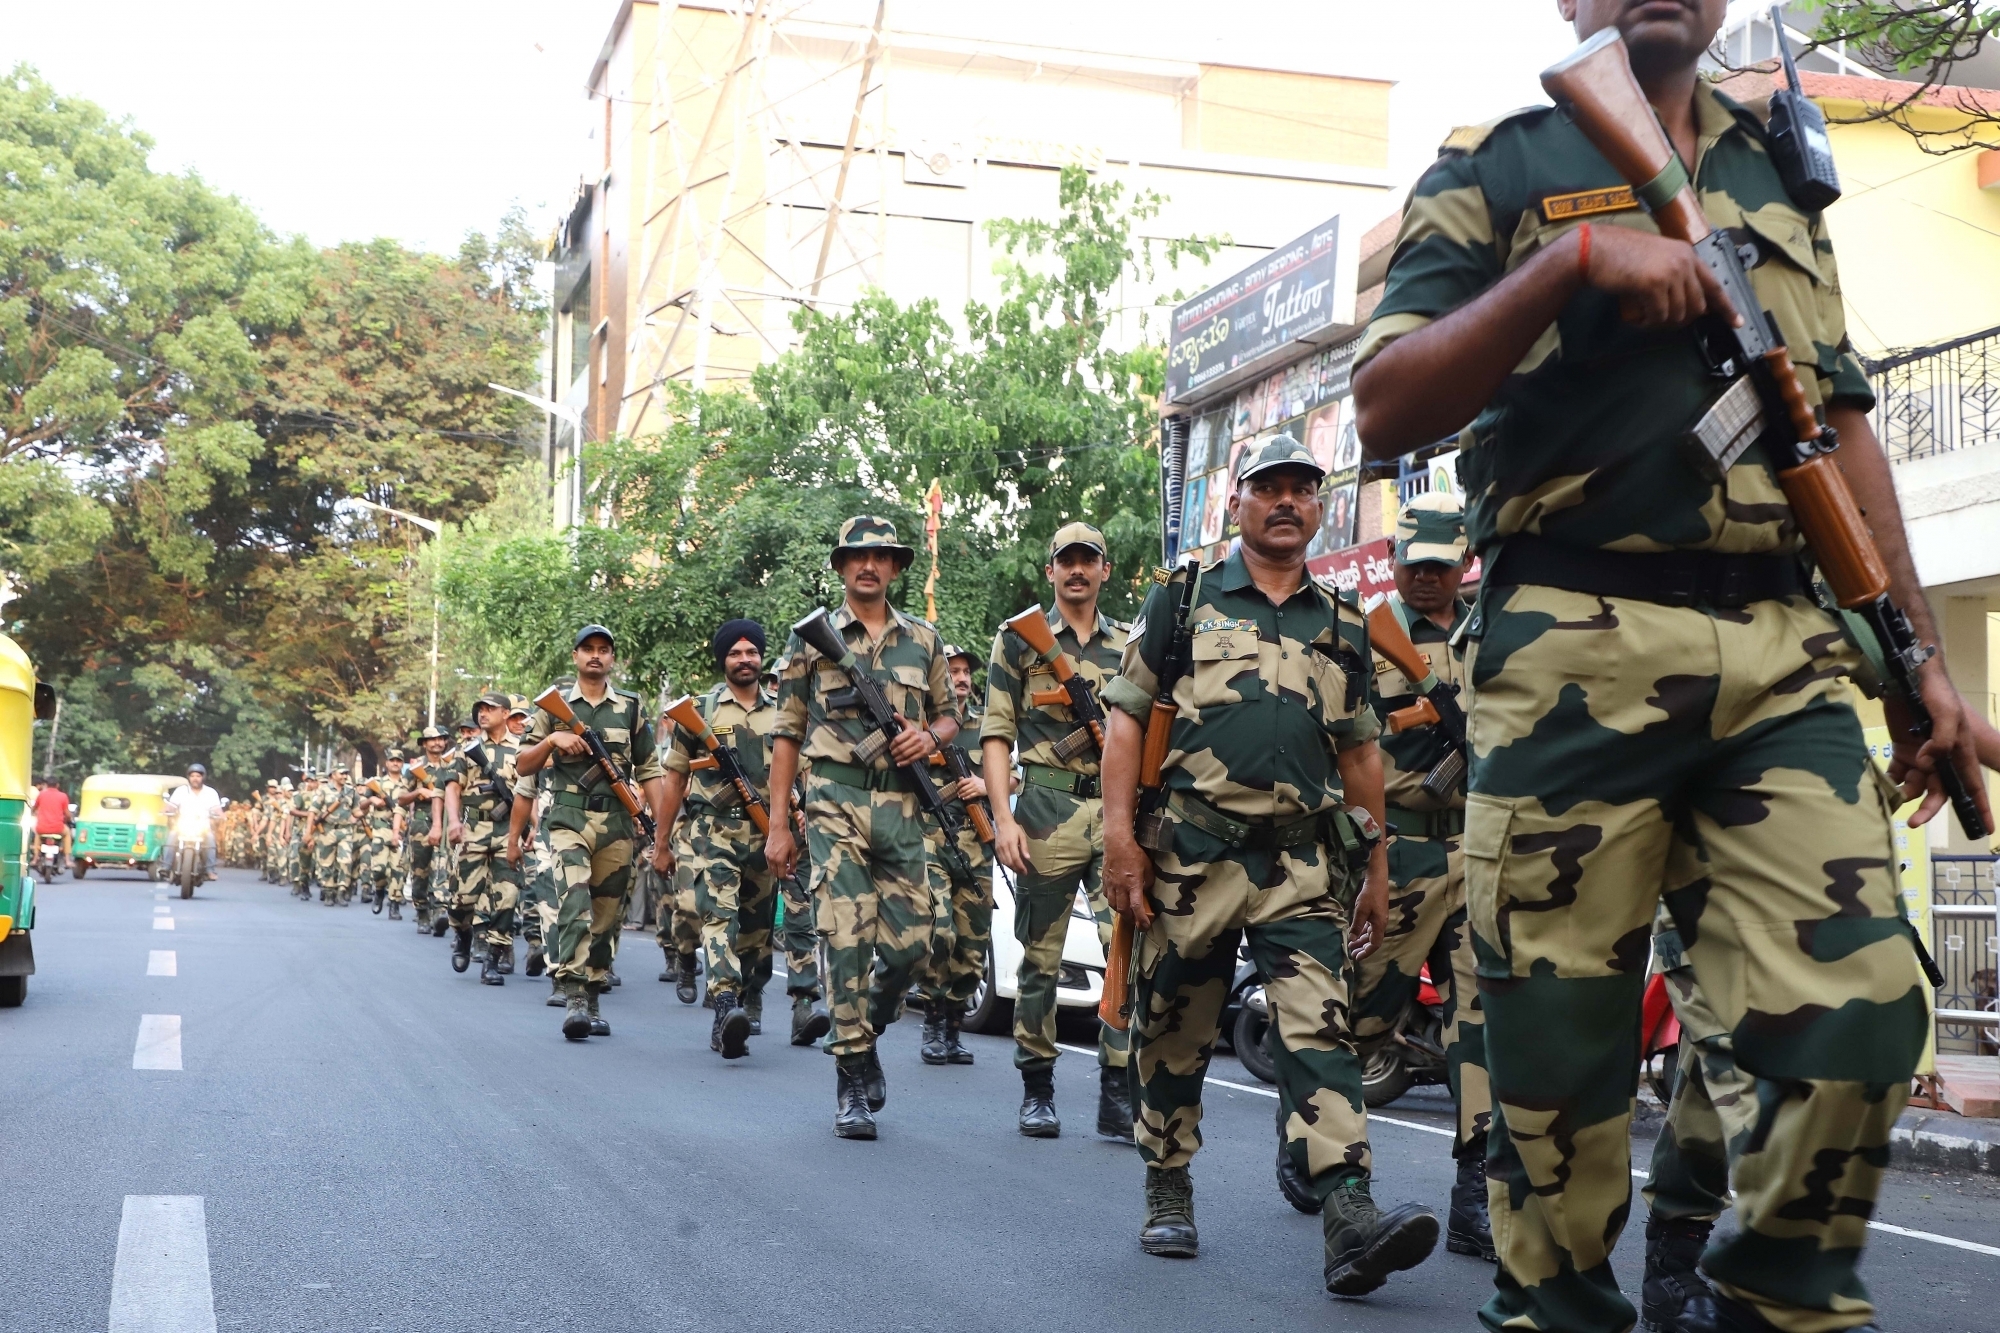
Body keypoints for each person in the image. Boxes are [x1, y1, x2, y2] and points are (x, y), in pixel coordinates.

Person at [1347, 3, 1989, 1330]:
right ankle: (1560, 1305)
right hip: (1572, 637)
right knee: (1555, 1075)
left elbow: (1837, 426)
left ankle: (1767, 1303)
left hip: (1782, 646)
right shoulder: (1501, 166)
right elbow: (1387, 402)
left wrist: (1914, 657)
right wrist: (1572, 265)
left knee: (1863, 1011)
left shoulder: (1776, 168)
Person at [1098, 433, 1439, 1296]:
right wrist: (1118, 838)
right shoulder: (1184, 599)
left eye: (1302, 488)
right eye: (1269, 487)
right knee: (1174, 1027)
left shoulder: (1343, 621)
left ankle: (1349, 1212)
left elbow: (1361, 753)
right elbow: (1127, 720)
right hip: (1191, 852)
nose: (1287, 501)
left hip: (1301, 864)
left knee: (1321, 1027)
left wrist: (1378, 864)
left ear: (1319, 507)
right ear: (1237, 503)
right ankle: (1168, 1182)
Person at [764, 515, 960, 1140]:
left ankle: (866, 1029)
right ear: (841, 567)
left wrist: (927, 738)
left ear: (896, 567)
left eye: (880, 556)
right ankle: (849, 1074)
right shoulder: (808, 643)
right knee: (845, 939)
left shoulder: (924, 641)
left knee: (911, 947)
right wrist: (778, 825)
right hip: (833, 801)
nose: (868, 565)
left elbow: (951, 720)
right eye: (856, 556)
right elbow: (787, 736)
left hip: (902, 808)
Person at [1338, 492, 1493, 1258]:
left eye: (1441, 566)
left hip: (1475, 846)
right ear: (1394, 565)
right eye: (1414, 566)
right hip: (1394, 850)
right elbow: (1339, 740)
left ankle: (1476, 1192)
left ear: (1463, 564)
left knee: (1480, 1022)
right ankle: (1327, 1155)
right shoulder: (1367, 638)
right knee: (1362, 1016)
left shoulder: (1488, 631)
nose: (1427, 578)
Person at [982, 520, 1134, 1139]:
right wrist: (1002, 820)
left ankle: (1118, 1089)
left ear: (1105, 571)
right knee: (1040, 961)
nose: (1077, 570)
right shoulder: (1019, 640)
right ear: (1050, 571)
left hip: (1117, 814)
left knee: (1123, 950)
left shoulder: (1129, 644)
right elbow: (996, 735)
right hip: (1044, 811)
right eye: (1065, 560)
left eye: (1088, 560)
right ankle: (1036, 1086)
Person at [659, 618, 827, 1057]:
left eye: (752, 652)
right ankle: (725, 1005)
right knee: (719, 916)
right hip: (714, 829)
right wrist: (661, 841)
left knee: (755, 929)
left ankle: (751, 999)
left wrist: (804, 814)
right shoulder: (699, 712)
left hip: (771, 831)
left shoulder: (783, 710)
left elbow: (803, 770)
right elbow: (675, 778)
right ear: (723, 660)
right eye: (735, 652)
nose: (745, 659)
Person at [512, 625, 668, 1040]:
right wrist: (553, 741)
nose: (595, 656)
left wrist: (660, 825)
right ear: (575, 656)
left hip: (616, 824)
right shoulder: (553, 707)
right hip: (567, 820)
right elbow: (523, 765)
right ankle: (575, 995)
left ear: (612, 658)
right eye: (588, 650)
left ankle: (594, 994)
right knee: (575, 901)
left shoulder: (631, 708)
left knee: (606, 915)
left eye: (604, 650)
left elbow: (650, 769)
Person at [899, 641, 993, 1068]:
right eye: (952, 671)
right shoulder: (919, 728)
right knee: (941, 929)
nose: (960, 677)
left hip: (977, 840)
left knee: (973, 943)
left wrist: (986, 786)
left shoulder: (988, 724)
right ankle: (933, 1020)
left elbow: (1013, 777)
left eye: (965, 671)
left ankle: (953, 1026)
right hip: (930, 837)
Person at [446, 692, 524, 984]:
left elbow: (530, 794)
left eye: (490, 708)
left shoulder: (521, 749)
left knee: (507, 899)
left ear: (505, 713)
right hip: (474, 830)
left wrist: (530, 830)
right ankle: (463, 933)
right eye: (480, 708)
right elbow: (453, 787)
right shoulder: (467, 749)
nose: (483, 713)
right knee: (461, 900)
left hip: (508, 832)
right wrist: (454, 822)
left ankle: (492, 958)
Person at [166, 764, 225, 882]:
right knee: (171, 836)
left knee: (210, 840)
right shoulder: (181, 791)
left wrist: (222, 815)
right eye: (192, 776)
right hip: (183, 825)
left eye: (198, 776)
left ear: (203, 777)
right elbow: (170, 806)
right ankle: (165, 867)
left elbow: (217, 809)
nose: (195, 778)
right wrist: (165, 811)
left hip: (203, 826)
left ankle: (210, 870)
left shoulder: (210, 792)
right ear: (189, 777)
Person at [32, 776, 71, 873]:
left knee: (37, 834)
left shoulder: (41, 795)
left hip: (42, 828)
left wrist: (33, 813)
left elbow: (34, 808)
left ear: (46, 785)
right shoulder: (63, 796)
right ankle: (67, 859)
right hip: (58, 828)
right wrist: (69, 819)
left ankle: (35, 858)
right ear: (57, 785)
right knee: (67, 833)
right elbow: (67, 814)